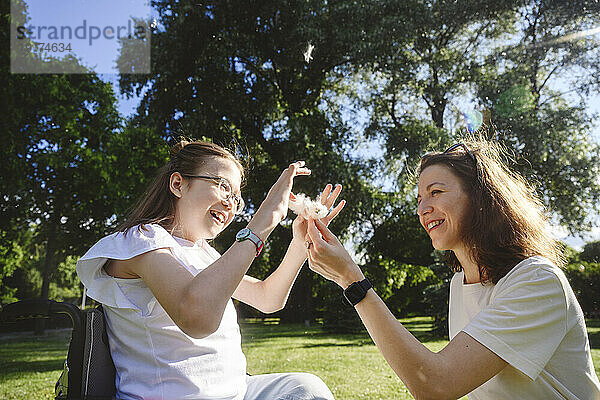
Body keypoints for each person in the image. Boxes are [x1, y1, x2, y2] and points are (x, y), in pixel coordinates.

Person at [304, 137, 600, 399]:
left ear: (480, 197)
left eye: (436, 192)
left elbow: (436, 386)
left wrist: (352, 280)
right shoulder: (460, 284)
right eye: (420, 199)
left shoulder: (537, 280)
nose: (422, 209)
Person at [76, 139, 344, 400]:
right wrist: (264, 221)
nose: (231, 204)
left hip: (238, 391)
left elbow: (267, 298)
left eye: (237, 199)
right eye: (223, 186)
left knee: (306, 387)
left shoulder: (206, 254)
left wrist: (300, 242)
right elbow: (198, 317)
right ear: (178, 184)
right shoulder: (140, 241)